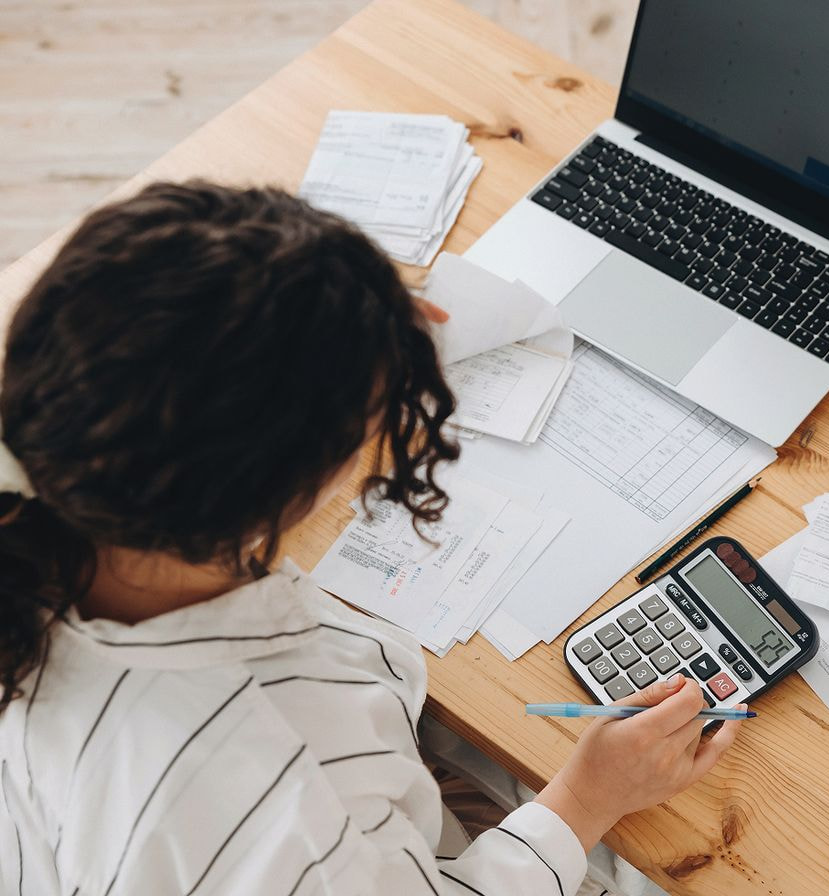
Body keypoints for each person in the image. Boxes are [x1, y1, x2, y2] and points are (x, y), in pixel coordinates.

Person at [0, 182, 742, 895]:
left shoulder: (61, 511)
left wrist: (347, 321)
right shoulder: (266, 795)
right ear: (288, 487)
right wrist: (588, 797)